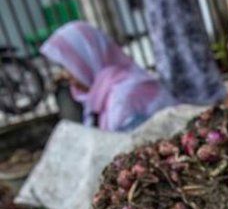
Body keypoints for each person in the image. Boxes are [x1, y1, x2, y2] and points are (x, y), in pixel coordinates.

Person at [114, 0, 226, 105]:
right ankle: (208, 95)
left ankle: (198, 99)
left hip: (167, 1)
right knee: (190, 47)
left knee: (178, 49)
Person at [40, 21, 177, 132]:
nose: (65, 75)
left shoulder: (124, 96)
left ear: (88, 58)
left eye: (69, 66)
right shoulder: (100, 94)